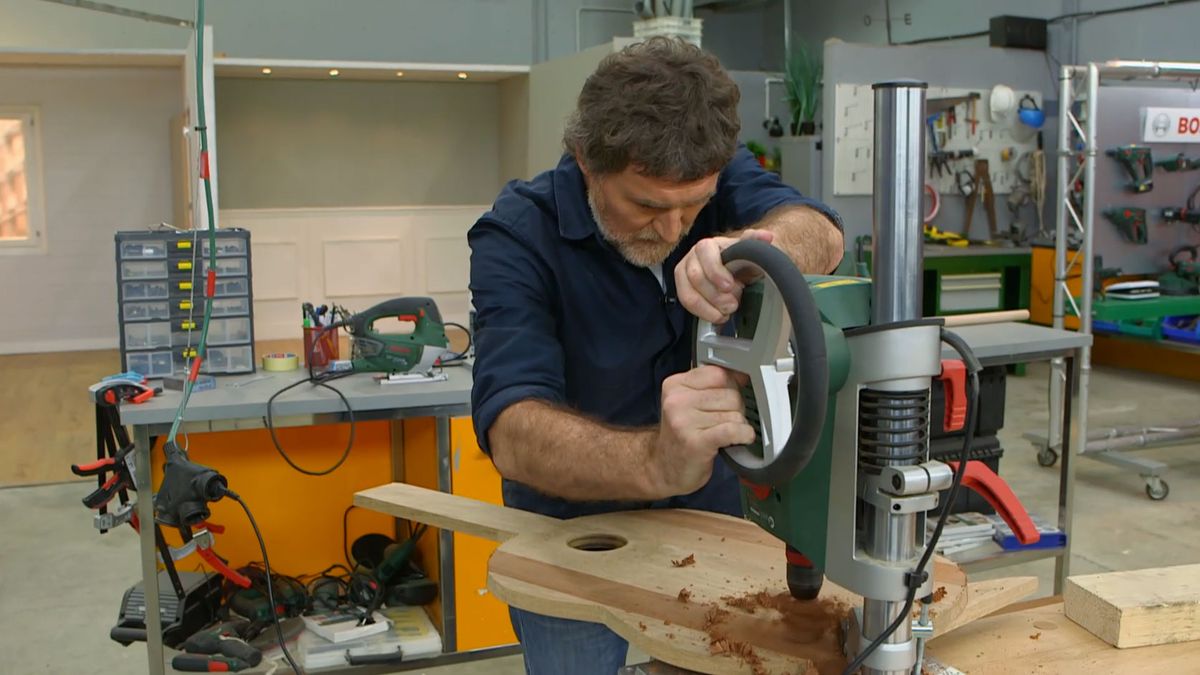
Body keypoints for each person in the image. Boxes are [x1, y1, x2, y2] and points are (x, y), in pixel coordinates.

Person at [467, 37, 844, 675]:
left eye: (692, 206)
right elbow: (513, 432)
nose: (671, 231)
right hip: (572, 531)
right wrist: (657, 461)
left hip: (721, 511)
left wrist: (747, 246)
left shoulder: (712, 172)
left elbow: (822, 234)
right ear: (586, 157)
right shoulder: (516, 234)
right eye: (645, 205)